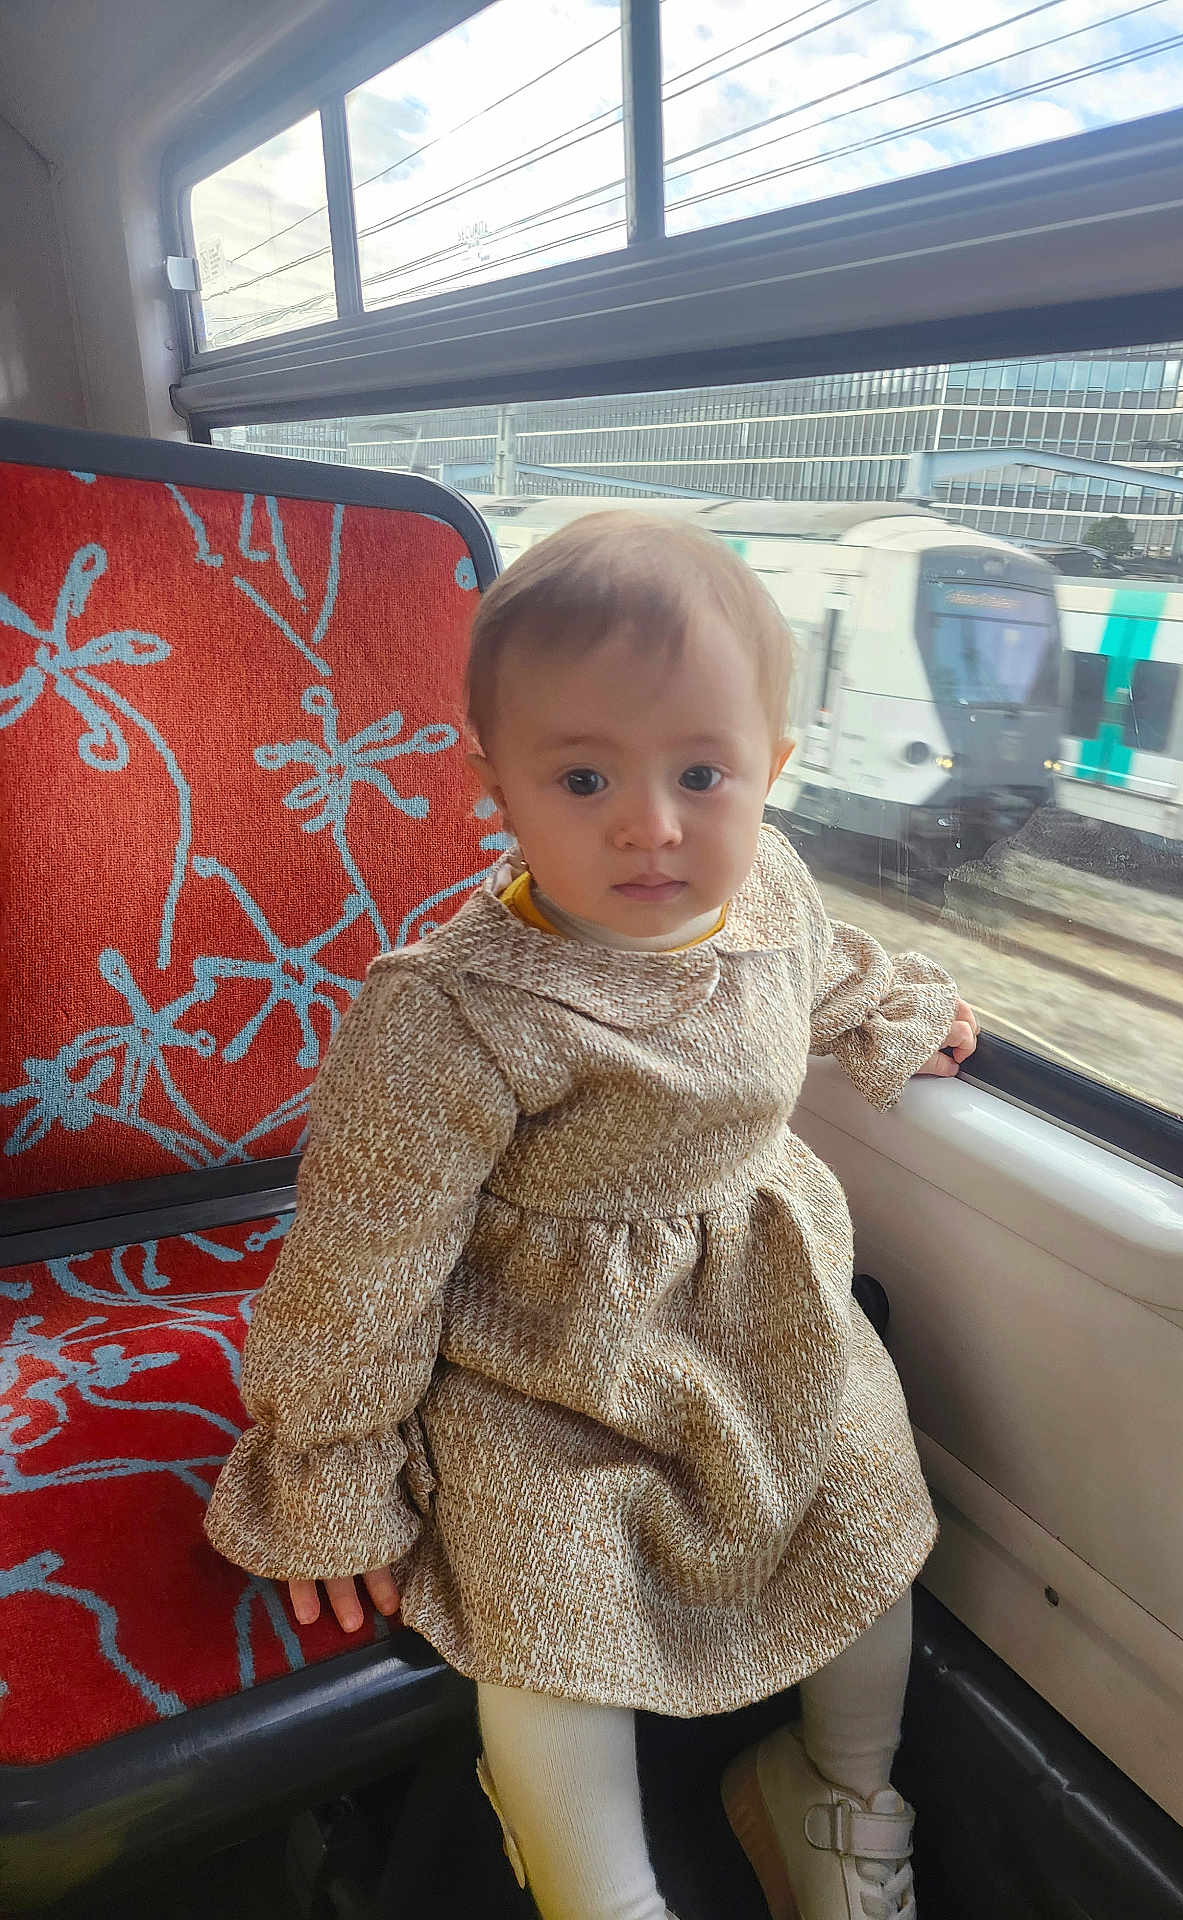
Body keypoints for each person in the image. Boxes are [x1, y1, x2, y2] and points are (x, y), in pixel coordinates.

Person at [204, 511, 977, 1920]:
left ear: (772, 775)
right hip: (543, 1360)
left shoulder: (771, 889)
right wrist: (330, 1471)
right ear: (494, 784)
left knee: (872, 1520)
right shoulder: (452, 1009)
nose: (653, 826)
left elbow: (816, 971)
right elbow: (360, 1265)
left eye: (702, 774)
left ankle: (838, 1790)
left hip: (762, 1318)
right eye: (581, 776)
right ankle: (604, 1897)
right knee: (545, 1617)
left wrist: (894, 1010)